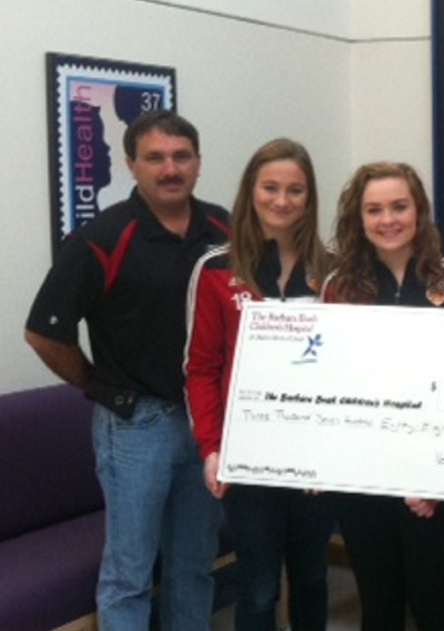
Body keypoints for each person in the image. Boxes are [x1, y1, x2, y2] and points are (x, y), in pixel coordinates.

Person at [24, 110, 228, 631]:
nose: (170, 169)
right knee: (129, 574)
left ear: (199, 163)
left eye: (181, 156)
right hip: (137, 428)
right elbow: (44, 332)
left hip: (208, 425)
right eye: (155, 158)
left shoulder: (224, 229)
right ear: (132, 165)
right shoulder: (101, 237)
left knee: (193, 565)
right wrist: (97, 385)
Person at [185, 138, 337, 631]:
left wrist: (337, 449)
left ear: (310, 198)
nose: (282, 200)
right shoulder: (216, 269)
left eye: (295, 190)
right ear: (251, 190)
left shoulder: (335, 271)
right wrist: (212, 448)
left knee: (313, 579)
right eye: (270, 187)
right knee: (258, 588)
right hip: (248, 458)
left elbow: (348, 367)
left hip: (315, 458)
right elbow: (201, 368)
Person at [321, 162, 444, 631]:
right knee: (378, 608)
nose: (388, 220)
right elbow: (327, 383)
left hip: (434, 484)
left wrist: (441, 479)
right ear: (358, 219)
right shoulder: (338, 288)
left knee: (436, 606)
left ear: (419, 211)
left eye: (399, 206)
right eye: (375, 209)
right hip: (365, 479)